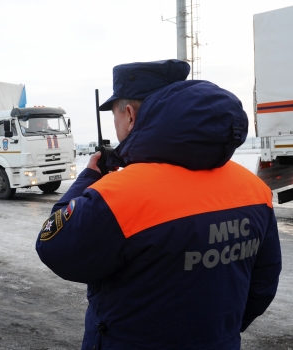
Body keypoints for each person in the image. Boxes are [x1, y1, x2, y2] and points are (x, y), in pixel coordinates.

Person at [35, 59, 282, 349]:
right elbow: (263, 283)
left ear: (128, 115)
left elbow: (54, 246)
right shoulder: (254, 188)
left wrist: (88, 177)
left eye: (115, 115)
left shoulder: (118, 195)